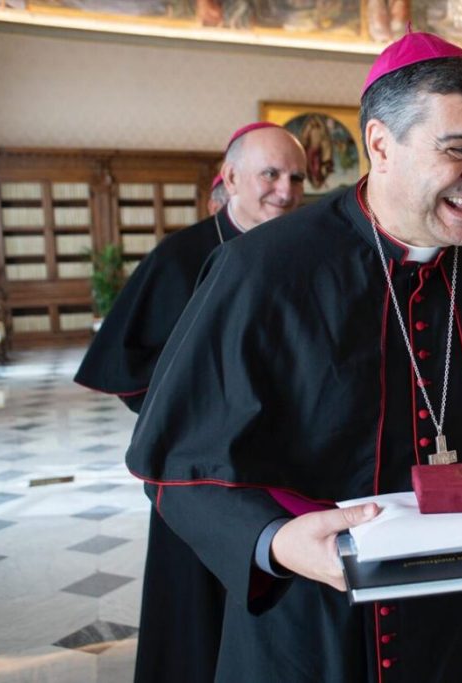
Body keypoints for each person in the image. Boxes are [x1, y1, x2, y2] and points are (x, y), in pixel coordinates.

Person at [124, 32, 462, 682]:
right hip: (301, 616)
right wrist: (274, 539)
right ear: (380, 144)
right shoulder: (263, 270)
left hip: (447, 616)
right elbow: (177, 463)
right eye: (458, 151)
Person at [75, 122, 307, 683]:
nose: (285, 190)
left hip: (291, 464)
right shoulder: (180, 258)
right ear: (229, 178)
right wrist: (205, 406)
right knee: (194, 611)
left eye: (296, 177)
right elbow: (128, 365)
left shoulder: (308, 250)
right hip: (199, 474)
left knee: (285, 606)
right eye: (270, 174)